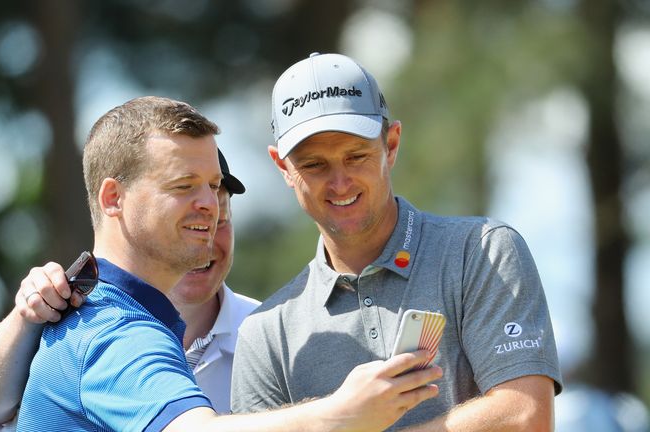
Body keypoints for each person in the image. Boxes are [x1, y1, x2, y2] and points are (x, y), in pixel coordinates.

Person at [0, 95, 442, 432]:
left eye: (214, 186)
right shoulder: (115, 328)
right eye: (183, 186)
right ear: (113, 198)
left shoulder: (93, 312)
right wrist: (341, 414)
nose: (210, 205)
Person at [230, 53, 563, 431]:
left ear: (391, 144)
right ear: (283, 167)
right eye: (314, 165)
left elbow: (524, 417)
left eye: (356, 156)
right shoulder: (265, 333)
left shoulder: (481, 252)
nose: (340, 183)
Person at [0, 150, 259, 431]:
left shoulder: (269, 329)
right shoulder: (71, 314)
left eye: (220, 219)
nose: (203, 237)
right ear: (117, 202)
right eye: (185, 218)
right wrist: (26, 318)